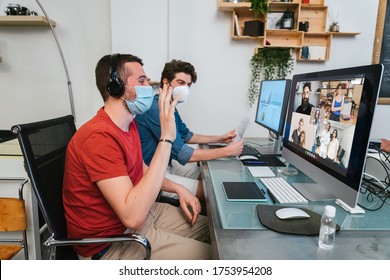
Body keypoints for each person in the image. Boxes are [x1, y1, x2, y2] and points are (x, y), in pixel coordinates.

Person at [62, 53, 211, 260]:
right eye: (141, 81)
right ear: (116, 87)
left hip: (144, 217)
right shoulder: (98, 137)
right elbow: (133, 218)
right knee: (212, 257)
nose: (148, 85)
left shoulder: (128, 123)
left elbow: (141, 170)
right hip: (113, 243)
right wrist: (166, 138)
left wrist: (179, 188)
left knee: (216, 231)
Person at [136, 59, 244, 199]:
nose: (185, 88)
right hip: (153, 174)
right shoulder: (155, 109)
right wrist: (227, 151)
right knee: (210, 191)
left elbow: (187, 136)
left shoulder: (169, 106)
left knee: (205, 174)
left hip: (167, 164)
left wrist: (220, 137)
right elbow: (184, 154)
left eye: (188, 85)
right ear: (166, 82)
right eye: (181, 83)